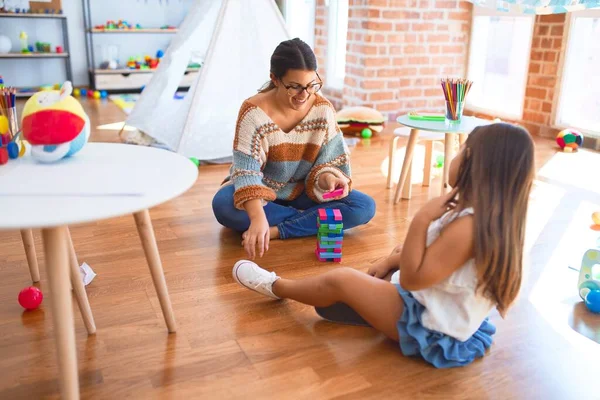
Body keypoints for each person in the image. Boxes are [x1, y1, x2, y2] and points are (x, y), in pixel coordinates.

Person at [231, 123, 536, 368]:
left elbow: (417, 278)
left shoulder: (468, 227)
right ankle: (368, 308)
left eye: (461, 151)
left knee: (342, 279)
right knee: (394, 257)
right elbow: (433, 260)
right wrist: (393, 261)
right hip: (435, 305)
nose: (454, 158)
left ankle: (276, 287)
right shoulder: (479, 214)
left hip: (429, 326)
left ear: (476, 165)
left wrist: (421, 218)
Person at [212, 38, 375, 259]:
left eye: (311, 85)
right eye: (295, 86)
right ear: (275, 79)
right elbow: (246, 172)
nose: (304, 95)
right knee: (223, 205)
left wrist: (329, 180)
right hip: (262, 194)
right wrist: (258, 216)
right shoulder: (253, 112)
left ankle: (279, 230)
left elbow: (329, 163)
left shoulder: (322, 109)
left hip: (304, 192)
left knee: (364, 206)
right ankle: (311, 220)